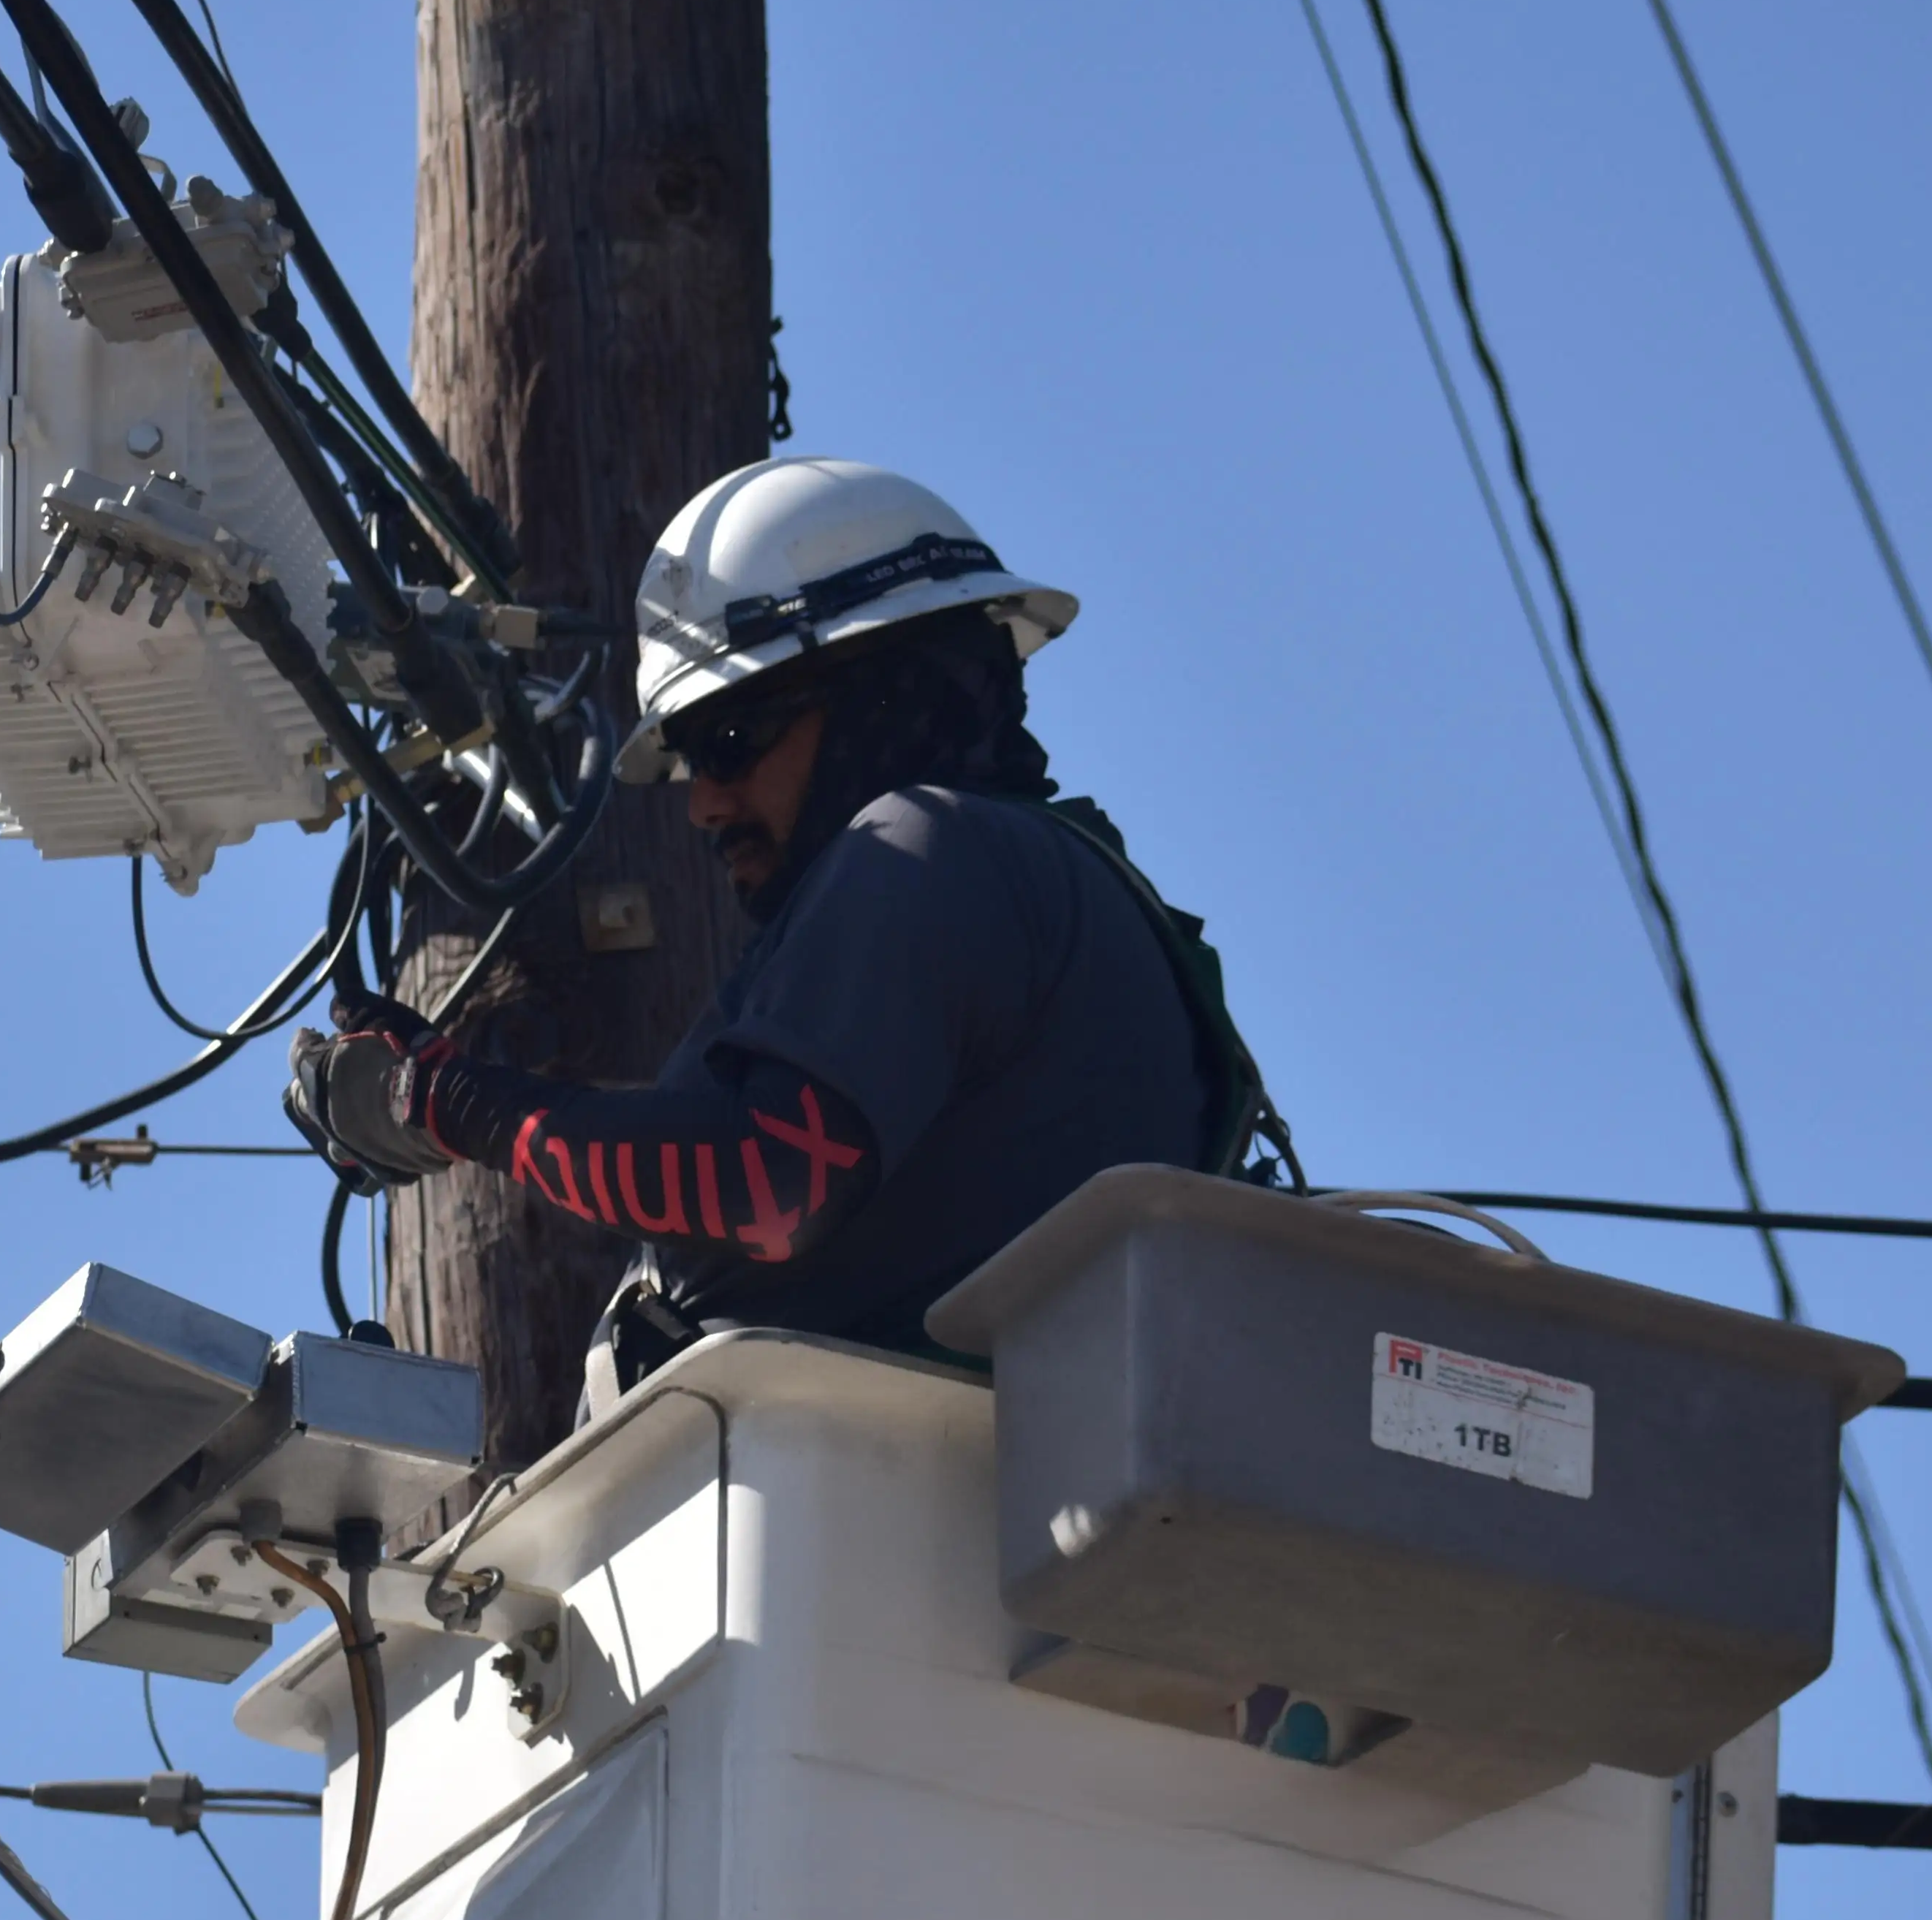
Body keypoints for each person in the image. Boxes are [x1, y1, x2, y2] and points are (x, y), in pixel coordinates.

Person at [285, 458, 1271, 1387]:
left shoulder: (926, 848)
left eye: (728, 741)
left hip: (909, 1524)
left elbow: (766, 1181)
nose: (703, 806)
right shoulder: (1039, 890)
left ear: (878, 695)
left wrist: (451, 1102)